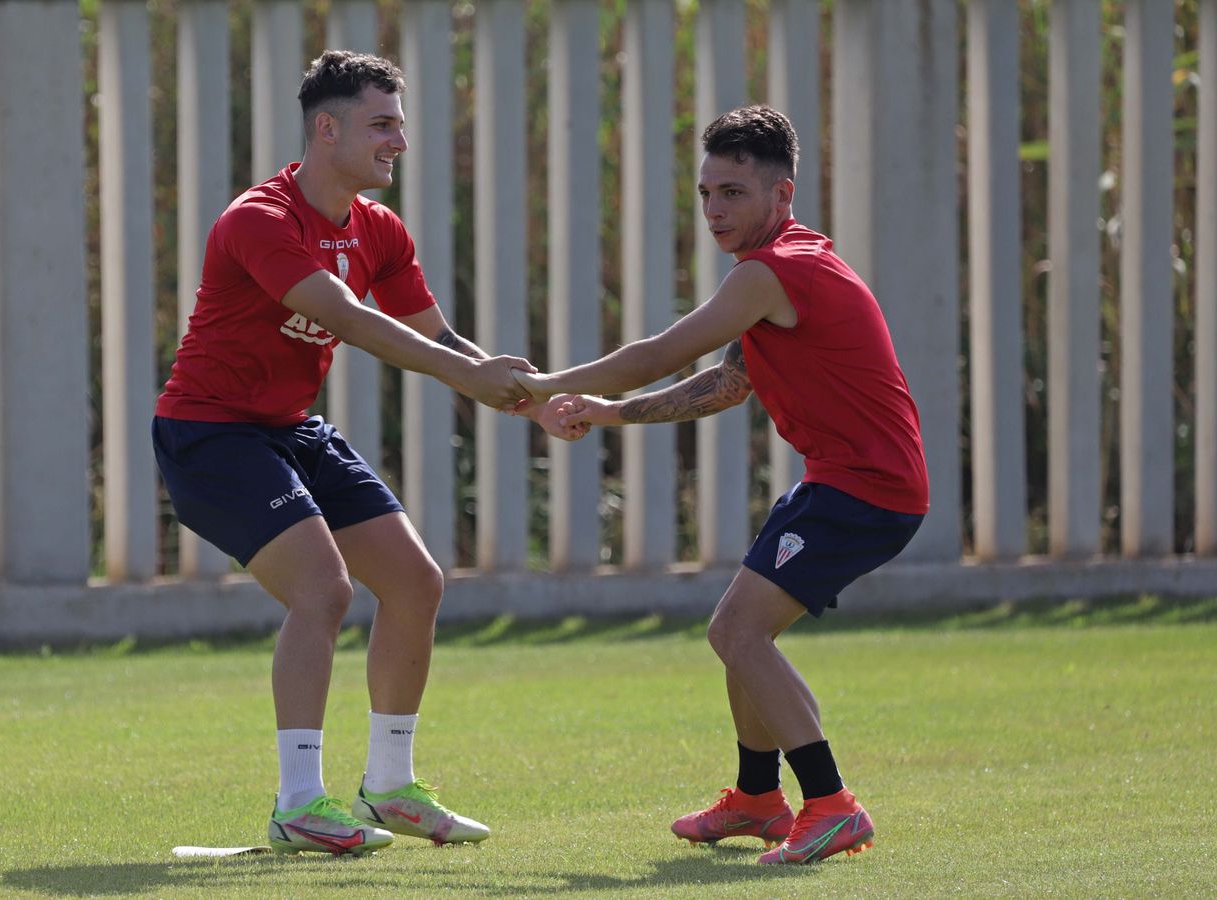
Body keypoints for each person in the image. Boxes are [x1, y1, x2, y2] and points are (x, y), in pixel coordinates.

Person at [153, 50, 553, 856]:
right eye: (382, 125)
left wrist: (535, 397)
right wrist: (470, 379)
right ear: (325, 129)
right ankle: (298, 802)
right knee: (324, 589)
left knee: (415, 581)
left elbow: (439, 337)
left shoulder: (380, 229)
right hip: (210, 435)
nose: (398, 141)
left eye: (400, 125)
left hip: (291, 428)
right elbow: (354, 319)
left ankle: (391, 787)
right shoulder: (257, 219)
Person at [512, 105, 929, 865]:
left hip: (864, 490)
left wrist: (539, 385)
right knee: (743, 630)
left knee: (734, 633)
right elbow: (729, 384)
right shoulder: (782, 268)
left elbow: (657, 352)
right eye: (705, 192)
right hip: (845, 484)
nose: (714, 210)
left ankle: (831, 804)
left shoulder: (773, 270)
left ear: (782, 195)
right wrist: (607, 412)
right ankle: (758, 800)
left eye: (733, 192)